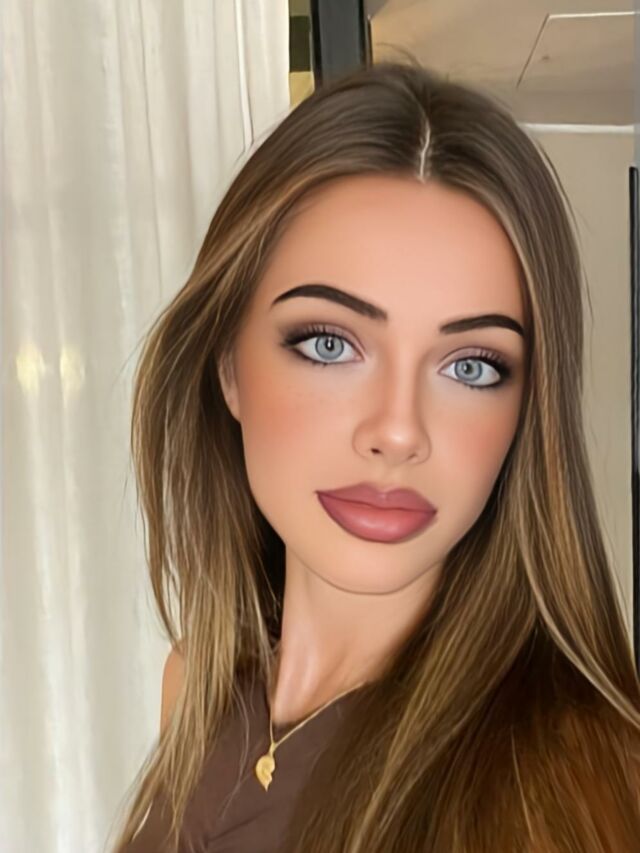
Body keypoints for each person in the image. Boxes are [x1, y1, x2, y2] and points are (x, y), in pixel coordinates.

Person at [109, 59, 640, 852]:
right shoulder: (196, 686)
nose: (398, 429)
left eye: (471, 366)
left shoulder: (574, 777)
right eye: (329, 343)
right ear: (228, 368)